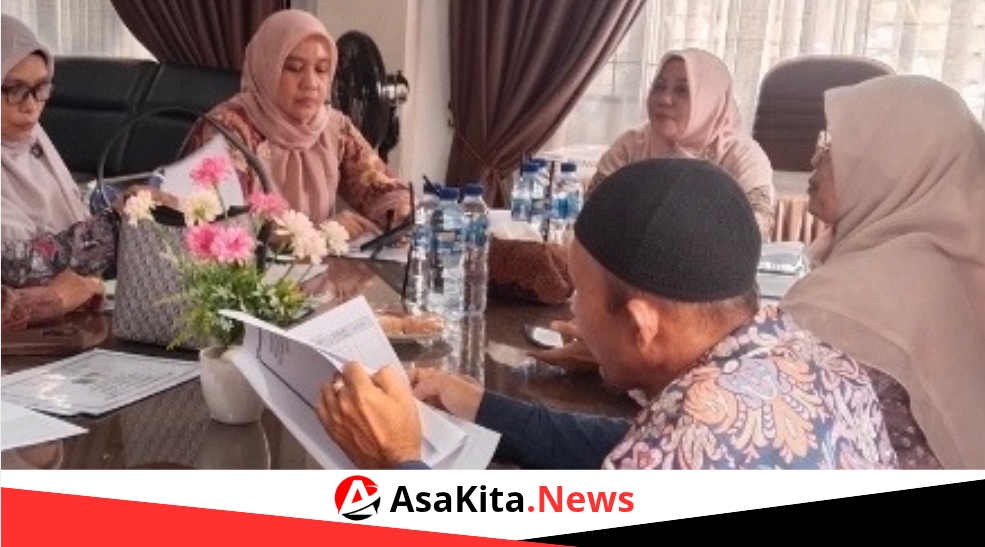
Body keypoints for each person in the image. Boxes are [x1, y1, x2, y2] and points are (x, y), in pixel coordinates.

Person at [316, 158, 898, 470]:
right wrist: (480, 404)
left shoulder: (684, 452)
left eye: (579, 295)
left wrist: (396, 462)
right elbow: (635, 436)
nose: (572, 310)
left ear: (641, 325)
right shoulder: (815, 358)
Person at [780, 75, 985, 470]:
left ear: (895, 165)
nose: (816, 160)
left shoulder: (847, 297)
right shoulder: (961, 268)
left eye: (836, 147)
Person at [183, 9, 411, 240]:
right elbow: (220, 231)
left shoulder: (334, 128)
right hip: (247, 265)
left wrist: (403, 214)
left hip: (320, 262)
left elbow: (379, 186)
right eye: (294, 68)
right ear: (267, 67)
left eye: (322, 69)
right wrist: (316, 237)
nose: (311, 83)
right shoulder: (227, 130)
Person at [589, 48, 775, 238]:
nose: (664, 99)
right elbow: (593, 210)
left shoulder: (740, 154)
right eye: (659, 87)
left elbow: (755, 229)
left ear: (710, 101)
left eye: (682, 90)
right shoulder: (631, 145)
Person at [1, 14, 114, 293]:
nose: (31, 106)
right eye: (15, 90)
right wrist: (113, 228)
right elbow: (17, 265)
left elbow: (68, 211)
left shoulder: (29, 136)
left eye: (41, 87)